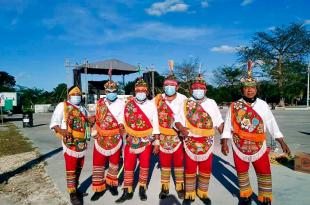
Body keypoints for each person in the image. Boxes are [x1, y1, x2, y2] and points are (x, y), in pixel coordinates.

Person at [221, 60, 291, 205]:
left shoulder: (263, 105)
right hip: (239, 145)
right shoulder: (235, 106)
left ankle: (265, 198)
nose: (250, 90)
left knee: (264, 171)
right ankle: (245, 195)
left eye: (252, 88)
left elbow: (271, 123)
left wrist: (281, 141)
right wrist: (224, 142)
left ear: (256, 89)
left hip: (259, 145)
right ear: (242, 90)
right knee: (241, 171)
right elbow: (228, 125)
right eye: (246, 88)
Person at [175, 74, 224, 205]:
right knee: (190, 167)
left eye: (201, 88)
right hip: (190, 139)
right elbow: (177, 120)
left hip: (207, 140)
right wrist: (181, 128)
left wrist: (225, 138)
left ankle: (203, 192)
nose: (198, 90)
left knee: (205, 167)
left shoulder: (212, 103)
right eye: (195, 88)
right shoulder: (185, 103)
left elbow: (219, 122)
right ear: (191, 90)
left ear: (206, 90)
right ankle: (189, 194)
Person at [115, 78, 160, 203]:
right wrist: (122, 128)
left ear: (147, 92)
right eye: (138, 90)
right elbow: (121, 118)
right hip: (130, 140)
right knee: (128, 166)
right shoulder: (128, 104)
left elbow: (156, 124)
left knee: (145, 165)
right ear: (135, 91)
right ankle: (127, 191)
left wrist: (156, 142)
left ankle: (142, 189)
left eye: (143, 90)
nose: (141, 92)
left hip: (146, 140)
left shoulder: (152, 105)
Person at [50, 86, 92, 205]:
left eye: (78, 94)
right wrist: (62, 131)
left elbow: (88, 119)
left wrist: (91, 120)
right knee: (71, 167)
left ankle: (76, 188)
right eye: (74, 94)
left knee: (79, 166)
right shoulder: (62, 106)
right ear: (69, 96)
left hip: (82, 142)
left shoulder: (83, 108)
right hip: (70, 142)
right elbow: (54, 122)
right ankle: (72, 193)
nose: (77, 96)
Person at [90, 80, 125, 201]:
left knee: (114, 163)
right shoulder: (99, 102)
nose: (111, 93)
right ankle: (98, 188)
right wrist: (93, 120)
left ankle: (112, 184)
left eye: (114, 91)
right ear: (105, 92)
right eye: (109, 91)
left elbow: (122, 117)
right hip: (100, 138)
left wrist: (121, 124)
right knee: (98, 163)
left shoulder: (121, 103)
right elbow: (97, 117)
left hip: (115, 137)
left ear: (117, 91)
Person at [154, 72, 187, 200]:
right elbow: (149, 114)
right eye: (166, 85)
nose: (169, 87)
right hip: (162, 136)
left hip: (178, 137)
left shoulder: (184, 99)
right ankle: (165, 187)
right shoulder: (157, 99)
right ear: (163, 86)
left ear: (177, 87)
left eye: (172, 85)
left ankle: (180, 187)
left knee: (179, 163)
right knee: (164, 163)